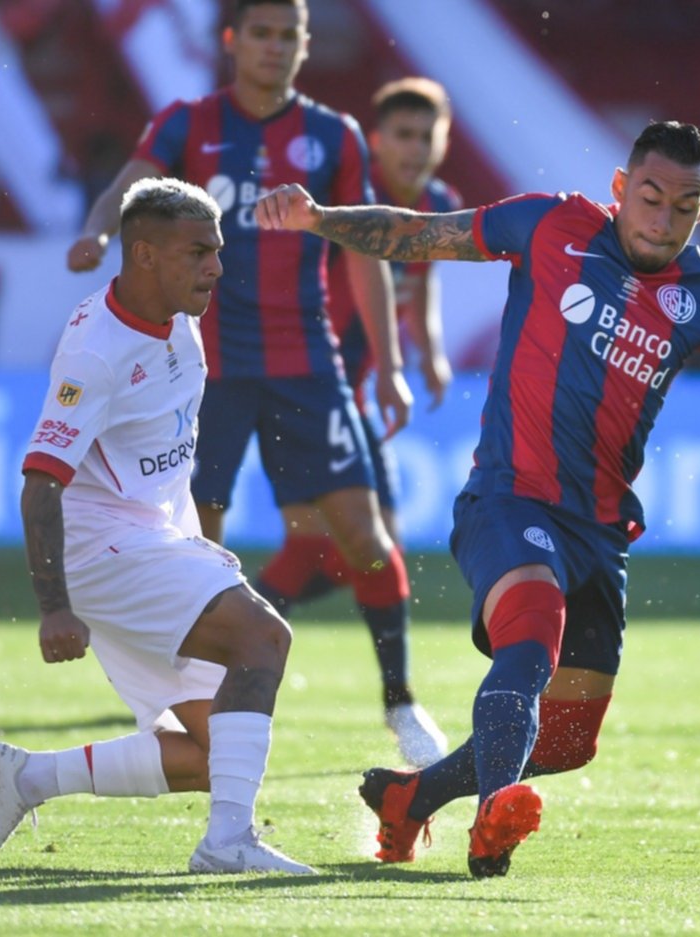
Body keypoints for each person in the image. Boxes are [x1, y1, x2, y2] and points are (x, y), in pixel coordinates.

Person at [255, 120, 700, 878]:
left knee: (567, 740)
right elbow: (422, 235)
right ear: (622, 189)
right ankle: (495, 815)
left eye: (684, 205)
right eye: (650, 198)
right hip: (508, 497)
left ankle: (414, 796)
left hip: (598, 528)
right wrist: (320, 221)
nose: (663, 220)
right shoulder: (549, 224)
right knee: (530, 638)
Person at [63, 0, 446, 767]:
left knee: (366, 540)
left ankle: (401, 701)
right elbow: (132, 184)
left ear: (304, 47)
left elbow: (364, 253)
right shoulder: (187, 124)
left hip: (310, 363)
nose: (276, 48)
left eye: (289, 36)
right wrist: (101, 228)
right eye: (262, 33)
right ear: (233, 40)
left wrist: (394, 363)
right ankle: (193, 704)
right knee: (197, 550)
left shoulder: (332, 136)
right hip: (209, 373)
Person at [0, 177, 312, 875]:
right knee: (263, 634)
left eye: (217, 249)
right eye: (198, 252)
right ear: (145, 254)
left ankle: (26, 776)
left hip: (151, 535)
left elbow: (158, 450)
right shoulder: (97, 353)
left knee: (213, 756)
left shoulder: (180, 320)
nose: (216, 265)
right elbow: (40, 482)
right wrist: (53, 605)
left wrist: (187, 539)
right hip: (100, 546)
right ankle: (227, 846)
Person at [250, 78, 460, 764]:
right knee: (362, 551)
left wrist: (426, 352)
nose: (412, 148)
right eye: (400, 134)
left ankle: (210, 642)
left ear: (441, 143)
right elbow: (362, 275)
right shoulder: (349, 202)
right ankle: (399, 704)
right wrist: (396, 367)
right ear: (376, 139)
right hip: (307, 389)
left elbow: (420, 282)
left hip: (352, 395)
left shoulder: (435, 207)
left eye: (424, 136)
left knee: (350, 556)